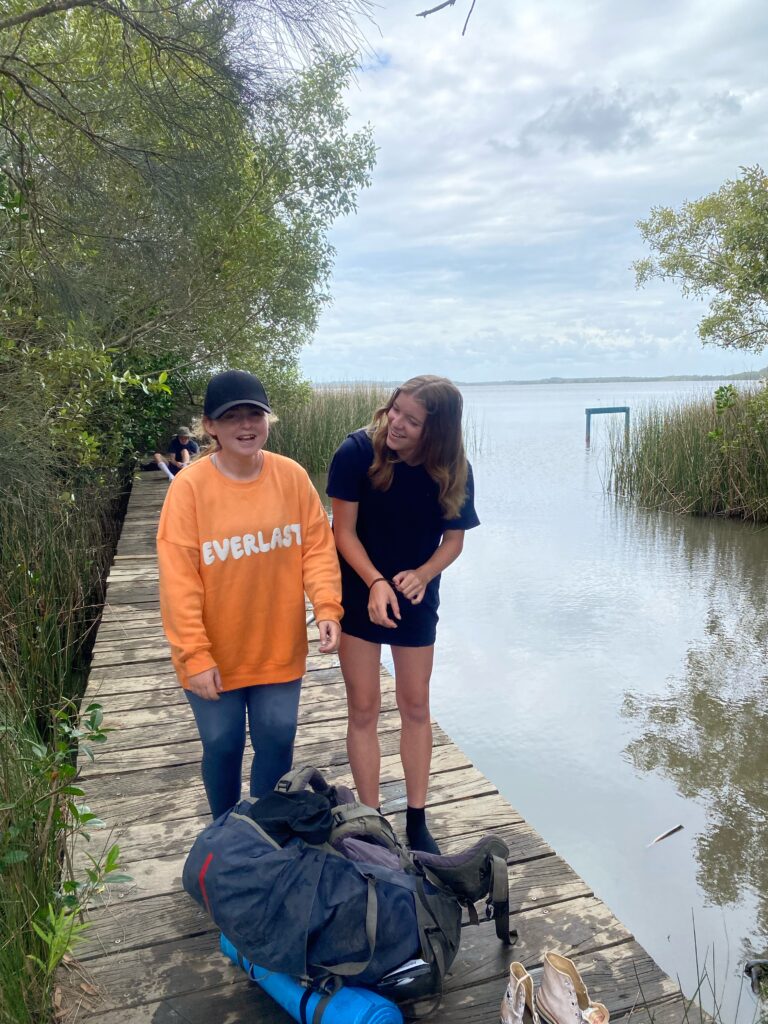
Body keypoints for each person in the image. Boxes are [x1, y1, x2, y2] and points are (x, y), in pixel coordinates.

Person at [157, 370, 342, 819]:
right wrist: (195, 655)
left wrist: (326, 607)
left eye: (254, 414)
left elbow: (317, 549)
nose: (245, 425)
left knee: (277, 737)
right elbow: (179, 581)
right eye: (231, 416)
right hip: (213, 652)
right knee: (222, 743)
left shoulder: (292, 477)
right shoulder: (189, 488)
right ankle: (225, 832)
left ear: (267, 420)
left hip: (277, 644)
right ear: (210, 426)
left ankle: (263, 830)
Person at [327, 375, 479, 854]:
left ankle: (416, 818)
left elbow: (453, 540)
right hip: (358, 589)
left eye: (412, 421)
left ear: (437, 431)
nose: (396, 423)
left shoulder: (453, 469)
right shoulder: (356, 453)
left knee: (415, 705)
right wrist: (375, 582)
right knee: (364, 707)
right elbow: (342, 532)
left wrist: (424, 573)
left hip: (415, 595)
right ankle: (372, 820)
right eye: (396, 410)